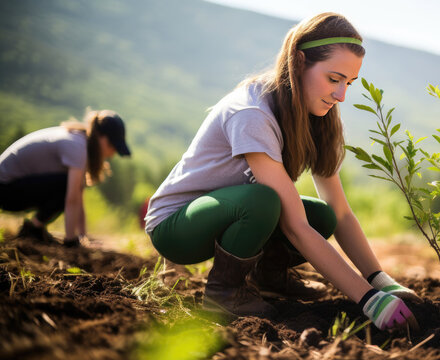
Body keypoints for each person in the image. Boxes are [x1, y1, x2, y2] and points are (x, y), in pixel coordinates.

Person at [144, 13, 420, 330]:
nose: (341, 94)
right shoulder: (252, 113)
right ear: (300, 62)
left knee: (322, 216)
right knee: (264, 201)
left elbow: (341, 212)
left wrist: (380, 281)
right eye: (334, 79)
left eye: (348, 83)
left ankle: (268, 278)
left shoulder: (317, 114)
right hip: (177, 227)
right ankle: (224, 293)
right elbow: (293, 226)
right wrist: (370, 300)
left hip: (231, 216)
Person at [0, 109, 131, 246]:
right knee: (66, 185)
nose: (113, 153)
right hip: (5, 189)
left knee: (70, 185)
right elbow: (72, 199)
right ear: (100, 136)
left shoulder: (80, 140)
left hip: (11, 187)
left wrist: (83, 236)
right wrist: (71, 241)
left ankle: (35, 228)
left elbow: (78, 197)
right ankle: (33, 229)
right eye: (112, 145)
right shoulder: (78, 147)